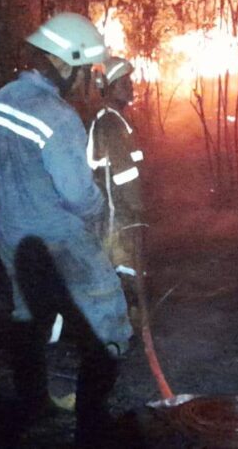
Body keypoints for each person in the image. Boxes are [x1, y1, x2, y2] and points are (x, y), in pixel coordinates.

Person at [0, 12, 133, 444]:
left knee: (30, 319)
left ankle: (33, 407)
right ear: (68, 62)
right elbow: (77, 194)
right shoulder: (59, 117)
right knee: (109, 329)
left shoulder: (0, 100)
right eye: (86, 70)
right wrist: (101, 210)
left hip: (12, 234)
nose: (86, 80)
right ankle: (93, 424)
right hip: (60, 242)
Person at [87, 56, 147, 317]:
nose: (131, 86)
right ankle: (125, 332)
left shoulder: (114, 120)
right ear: (109, 89)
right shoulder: (110, 123)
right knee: (125, 273)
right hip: (118, 219)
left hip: (119, 216)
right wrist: (137, 212)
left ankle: (125, 327)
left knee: (125, 273)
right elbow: (124, 177)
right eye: (125, 82)